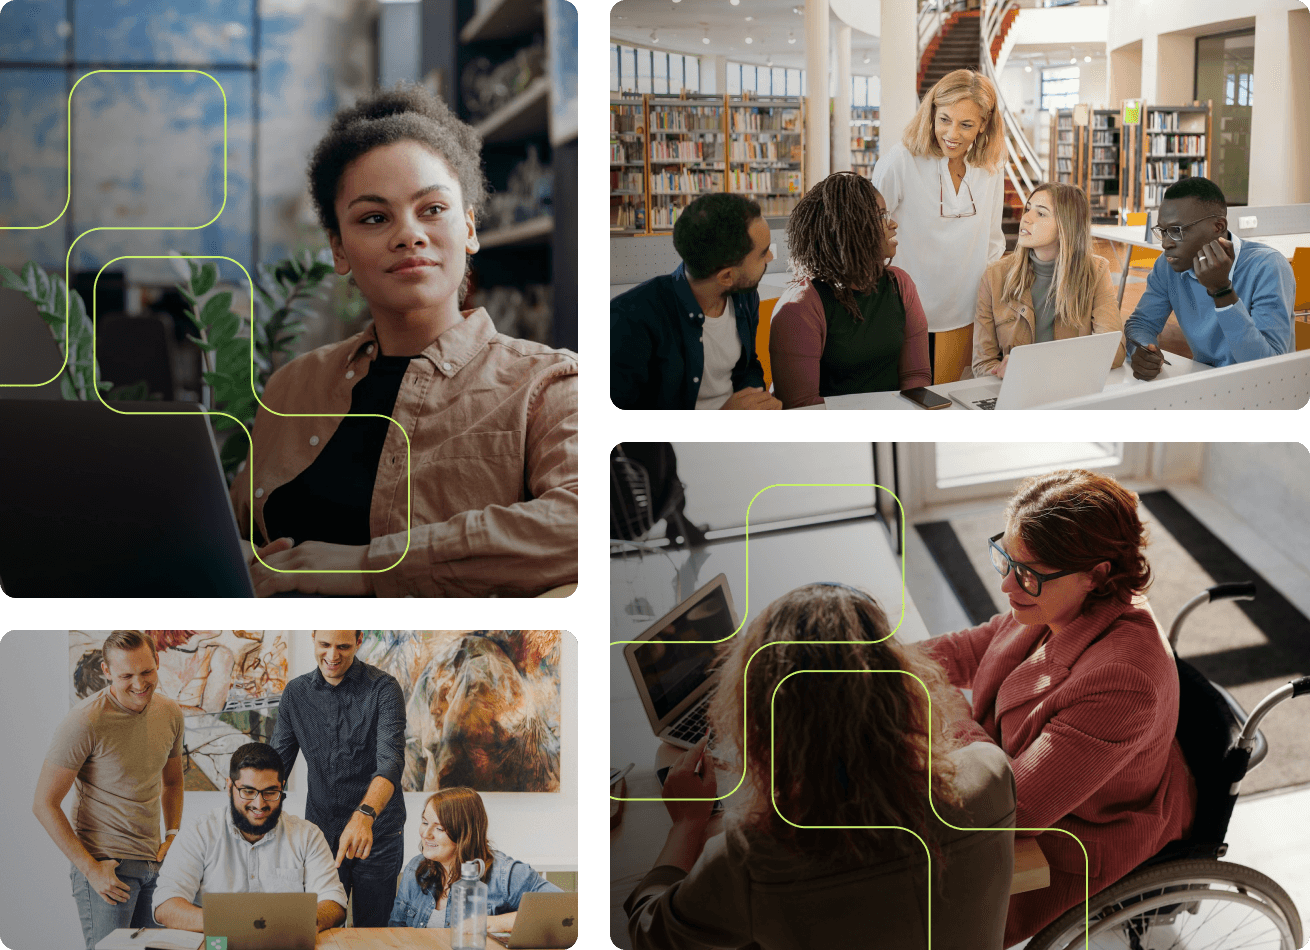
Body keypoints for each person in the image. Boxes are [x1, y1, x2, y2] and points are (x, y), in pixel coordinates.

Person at [230, 80, 578, 597]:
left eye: (432, 209)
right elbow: (232, 529)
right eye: (374, 218)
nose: (408, 234)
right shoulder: (292, 386)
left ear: (469, 228)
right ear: (340, 250)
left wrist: (369, 567)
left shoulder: (547, 383)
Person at [625, 582, 1018, 950]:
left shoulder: (752, 856)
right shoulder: (991, 776)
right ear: (902, 685)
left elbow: (650, 935)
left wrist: (687, 825)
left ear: (764, 719)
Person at [911, 469, 1198, 948]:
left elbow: (1014, 811)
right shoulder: (1055, 600)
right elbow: (973, 647)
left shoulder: (1123, 681)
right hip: (1018, 776)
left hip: (1076, 839)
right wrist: (876, 663)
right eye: (1005, 557)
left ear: (1098, 574)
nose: (1006, 585)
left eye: (1026, 573)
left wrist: (940, 704)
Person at [33, 630, 186, 950]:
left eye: (147, 671)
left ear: (157, 661)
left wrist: (171, 834)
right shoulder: (84, 721)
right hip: (107, 867)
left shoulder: (170, 712)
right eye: (126, 675)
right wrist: (89, 869)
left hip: (152, 864)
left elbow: (172, 782)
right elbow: (44, 803)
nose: (139, 683)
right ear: (106, 672)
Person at [871, 68, 1007, 385]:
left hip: (968, 313)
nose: (952, 133)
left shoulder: (992, 164)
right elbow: (869, 237)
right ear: (932, 112)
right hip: (905, 314)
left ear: (984, 124)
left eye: (966, 124)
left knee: (953, 400)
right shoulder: (900, 161)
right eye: (944, 119)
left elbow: (991, 239)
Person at [270, 629, 407, 928]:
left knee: (372, 933)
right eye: (325, 645)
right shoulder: (295, 693)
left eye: (343, 647)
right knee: (319, 926)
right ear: (313, 638)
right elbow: (275, 764)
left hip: (378, 832)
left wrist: (364, 815)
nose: (332, 656)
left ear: (359, 641)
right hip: (322, 833)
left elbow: (391, 762)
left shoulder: (383, 688)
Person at [769, 171, 930, 406]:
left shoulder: (900, 284)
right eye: (881, 216)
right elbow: (803, 406)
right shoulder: (799, 308)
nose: (893, 224)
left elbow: (916, 377)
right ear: (849, 228)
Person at [151, 742, 349, 933]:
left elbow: (334, 901)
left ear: (281, 788)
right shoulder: (199, 833)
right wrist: (234, 924)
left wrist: (306, 922)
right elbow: (165, 904)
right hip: (217, 945)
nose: (259, 804)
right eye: (248, 791)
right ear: (229, 787)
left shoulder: (308, 836)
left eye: (270, 792)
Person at [609, 191, 782, 410]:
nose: (770, 258)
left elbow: (747, 366)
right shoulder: (629, 321)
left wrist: (756, 399)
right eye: (763, 253)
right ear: (726, 276)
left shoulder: (745, 296)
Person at [1123, 176, 1294, 380]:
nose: (1166, 243)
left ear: (1218, 227)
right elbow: (1142, 323)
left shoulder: (1267, 267)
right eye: (1163, 231)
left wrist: (1221, 290)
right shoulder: (1166, 265)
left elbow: (1268, 371)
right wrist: (1140, 350)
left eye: (1176, 231)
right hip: (1206, 384)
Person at [973, 182, 1124, 380]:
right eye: (1027, 210)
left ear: (1066, 226)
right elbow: (983, 363)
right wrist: (1002, 371)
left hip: (1069, 388)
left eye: (1041, 213)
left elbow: (1114, 353)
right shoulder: (994, 276)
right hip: (1012, 390)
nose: (1025, 218)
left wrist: (1039, 369)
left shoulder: (1096, 272)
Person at [389, 787, 563, 929]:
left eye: (439, 828)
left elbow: (562, 909)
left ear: (465, 833)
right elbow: (396, 932)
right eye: (425, 822)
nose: (425, 834)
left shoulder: (505, 874)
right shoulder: (415, 868)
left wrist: (494, 923)